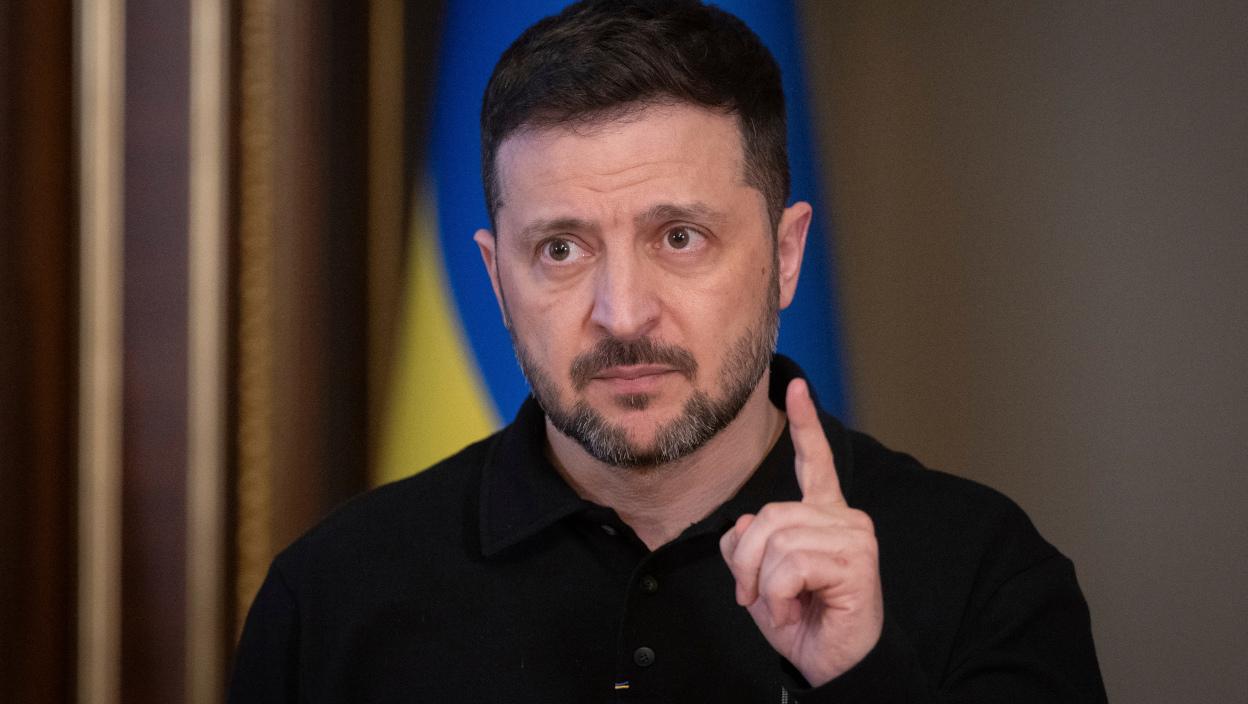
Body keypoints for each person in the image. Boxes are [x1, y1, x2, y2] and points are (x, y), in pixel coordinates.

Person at [229, 1, 1106, 701]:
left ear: (785, 255)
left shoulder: (988, 576)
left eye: (679, 237)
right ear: (496, 280)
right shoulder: (330, 599)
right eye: (561, 249)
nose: (622, 314)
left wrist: (861, 681)